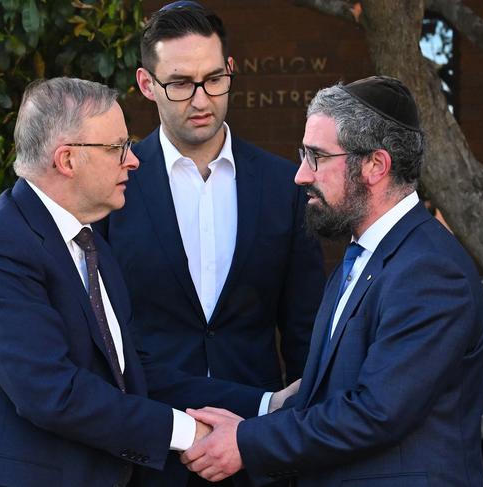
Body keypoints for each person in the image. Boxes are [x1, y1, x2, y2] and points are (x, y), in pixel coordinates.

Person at [0, 77, 295, 487]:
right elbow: (53, 393)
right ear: (67, 160)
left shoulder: (89, 243)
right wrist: (192, 433)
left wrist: (265, 403)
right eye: (118, 147)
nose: (133, 160)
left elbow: (134, 373)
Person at [181, 76, 483, 486]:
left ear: (375, 166)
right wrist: (252, 423)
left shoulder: (430, 271)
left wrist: (248, 441)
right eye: (302, 155)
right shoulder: (363, 256)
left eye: (317, 157)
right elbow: (331, 397)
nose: (300, 175)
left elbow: (376, 412)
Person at [96, 4, 324, 484]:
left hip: (257, 452)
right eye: (180, 83)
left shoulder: (285, 186)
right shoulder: (112, 187)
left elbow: (305, 332)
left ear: (231, 71)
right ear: (146, 84)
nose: (200, 99)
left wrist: (296, 443)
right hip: (147, 457)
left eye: (213, 79)